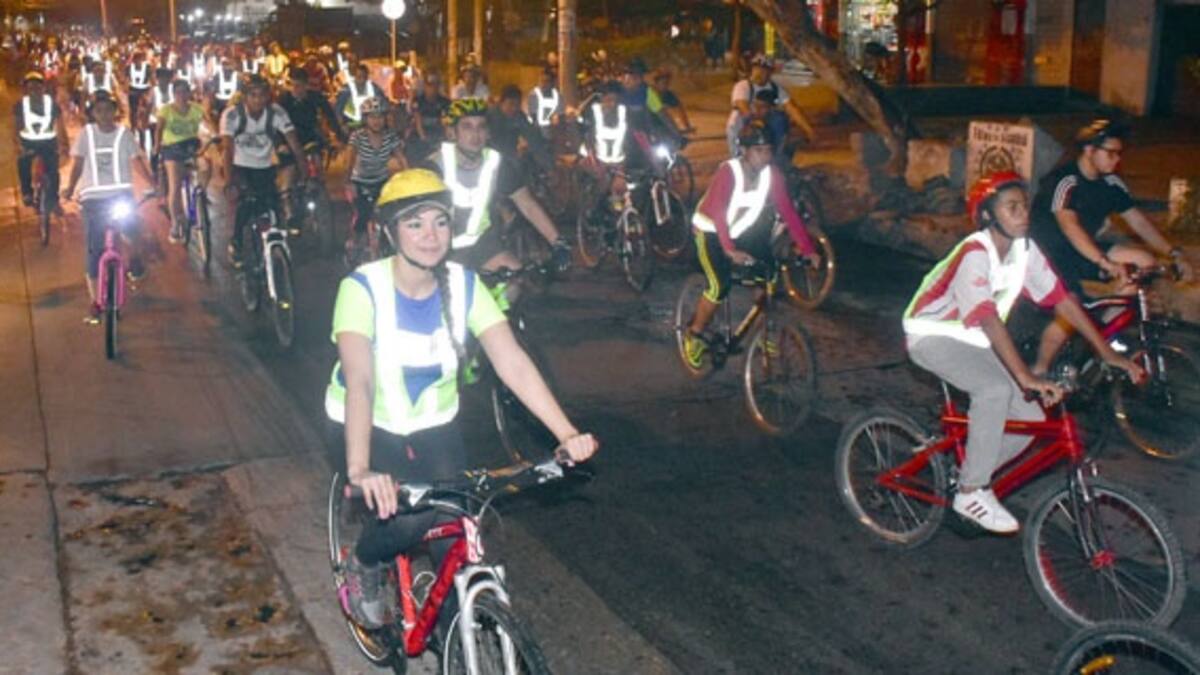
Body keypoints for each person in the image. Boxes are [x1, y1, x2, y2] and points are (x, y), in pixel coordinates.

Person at [327, 168, 597, 629]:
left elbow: (512, 362)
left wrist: (566, 434)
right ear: (391, 233)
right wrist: (360, 468)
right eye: (415, 224)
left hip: (434, 423)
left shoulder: (466, 286)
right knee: (412, 518)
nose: (430, 235)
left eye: (440, 222)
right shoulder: (362, 288)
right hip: (368, 424)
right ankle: (365, 563)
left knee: (454, 528)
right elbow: (361, 381)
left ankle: (458, 638)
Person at [902, 171, 1142, 533]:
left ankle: (967, 475)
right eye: (1011, 207)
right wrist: (1026, 376)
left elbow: (1063, 300)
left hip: (972, 341)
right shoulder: (975, 253)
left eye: (1024, 206)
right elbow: (988, 319)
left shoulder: (1023, 250)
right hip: (932, 336)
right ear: (988, 215)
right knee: (994, 390)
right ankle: (971, 491)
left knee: (1030, 418)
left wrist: (1106, 352)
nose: (1023, 214)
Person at [1031, 119, 1194, 375]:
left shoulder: (1111, 183)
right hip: (1049, 253)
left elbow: (1138, 222)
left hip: (1084, 250)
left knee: (1143, 261)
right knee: (1071, 309)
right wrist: (1104, 262)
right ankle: (1038, 372)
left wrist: (1174, 254)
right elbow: (1070, 228)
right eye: (1111, 153)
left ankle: (1103, 334)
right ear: (1089, 150)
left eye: (1119, 153)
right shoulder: (1065, 181)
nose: (1116, 160)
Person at [682, 124, 819, 369]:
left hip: (740, 232)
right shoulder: (729, 172)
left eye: (768, 150)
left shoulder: (772, 175)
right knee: (719, 285)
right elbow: (719, 211)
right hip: (710, 231)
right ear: (744, 151)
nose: (764, 156)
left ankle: (763, 332)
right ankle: (694, 334)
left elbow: (787, 211)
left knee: (768, 275)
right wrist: (728, 249)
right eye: (758, 150)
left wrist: (807, 248)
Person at [428, 98, 569, 272]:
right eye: (467, 127)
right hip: (440, 249)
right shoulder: (434, 166)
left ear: (488, 132)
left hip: (483, 244)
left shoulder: (496, 163)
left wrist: (557, 241)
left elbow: (527, 203)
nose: (476, 134)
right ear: (451, 133)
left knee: (514, 276)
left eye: (481, 127)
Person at [62, 90, 155, 323]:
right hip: (92, 200)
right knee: (94, 250)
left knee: (133, 231)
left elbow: (136, 160)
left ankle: (135, 261)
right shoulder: (86, 135)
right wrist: (70, 188)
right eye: (99, 110)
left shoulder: (124, 134)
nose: (104, 114)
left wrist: (153, 184)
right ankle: (95, 301)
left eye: (108, 109)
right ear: (92, 113)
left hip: (120, 196)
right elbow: (78, 164)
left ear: (115, 111)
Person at [219, 74, 306, 267]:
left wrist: (304, 173)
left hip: (265, 166)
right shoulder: (232, 115)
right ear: (244, 96)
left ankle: (275, 244)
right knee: (247, 203)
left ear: (268, 96)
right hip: (239, 166)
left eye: (262, 95)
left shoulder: (277, 113)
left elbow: (294, 144)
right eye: (253, 95)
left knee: (273, 203)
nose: (258, 100)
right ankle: (236, 243)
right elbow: (227, 149)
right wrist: (229, 181)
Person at [344, 97, 406, 258]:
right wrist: (348, 182)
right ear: (365, 119)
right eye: (372, 117)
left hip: (381, 181)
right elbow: (349, 160)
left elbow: (401, 158)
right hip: (360, 182)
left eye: (380, 117)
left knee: (389, 213)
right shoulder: (357, 137)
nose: (377, 121)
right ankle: (354, 242)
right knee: (362, 214)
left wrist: (410, 176)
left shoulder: (390, 137)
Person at [725, 55, 814, 157]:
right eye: (756, 68)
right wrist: (756, 121)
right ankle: (739, 153)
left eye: (763, 70)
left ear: (770, 72)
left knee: (780, 118)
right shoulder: (743, 86)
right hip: (744, 124)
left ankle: (777, 155)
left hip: (763, 123)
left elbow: (792, 108)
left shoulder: (775, 88)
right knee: (736, 119)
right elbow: (743, 106)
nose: (759, 72)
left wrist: (808, 130)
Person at [155, 78, 207, 243]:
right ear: (173, 94)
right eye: (178, 92)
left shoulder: (197, 109)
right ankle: (175, 223)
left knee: (207, 166)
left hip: (191, 146)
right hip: (172, 149)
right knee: (175, 186)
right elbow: (159, 129)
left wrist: (216, 136)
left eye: (185, 92)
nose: (182, 95)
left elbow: (208, 123)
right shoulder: (166, 111)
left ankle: (200, 194)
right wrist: (157, 146)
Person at [14, 71, 67, 211]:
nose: (34, 91)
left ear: (43, 88)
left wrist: (64, 144)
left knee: (53, 171)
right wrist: (18, 145)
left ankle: (54, 200)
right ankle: (27, 193)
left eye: (37, 87)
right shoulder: (21, 105)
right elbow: (16, 127)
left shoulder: (52, 104)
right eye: (30, 87)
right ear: (26, 89)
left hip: (48, 142)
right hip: (28, 143)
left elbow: (60, 126)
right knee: (23, 163)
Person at [407, 71, 450, 166]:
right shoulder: (418, 100)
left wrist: (445, 138)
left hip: (438, 133)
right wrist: (424, 138)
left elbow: (446, 122)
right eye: (430, 84)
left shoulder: (445, 102)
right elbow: (418, 122)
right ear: (425, 86)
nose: (433, 88)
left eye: (436, 84)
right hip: (421, 134)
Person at [335, 63, 381, 131]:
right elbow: (338, 110)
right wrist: (341, 125)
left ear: (367, 77)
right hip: (351, 125)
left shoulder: (374, 88)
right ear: (354, 76)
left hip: (370, 125)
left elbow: (383, 104)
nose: (362, 80)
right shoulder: (346, 90)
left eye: (364, 77)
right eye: (359, 77)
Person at [525, 66, 561, 137]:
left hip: (553, 133)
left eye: (547, 81)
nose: (544, 84)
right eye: (542, 81)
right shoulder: (534, 95)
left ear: (552, 83)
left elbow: (560, 115)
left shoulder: (558, 96)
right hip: (536, 132)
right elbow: (533, 116)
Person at [125, 50, 152, 127]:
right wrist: (127, 90)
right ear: (133, 60)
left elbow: (151, 80)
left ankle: (145, 124)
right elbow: (126, 80)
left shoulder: (147, 67)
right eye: (136, 59)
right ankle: (133, 126)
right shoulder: (129, 68)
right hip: (133, 90)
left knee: (146, 109)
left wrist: (149, 94)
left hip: (145, 89)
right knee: (133, 110)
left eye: (140, 59)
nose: (138, 61)